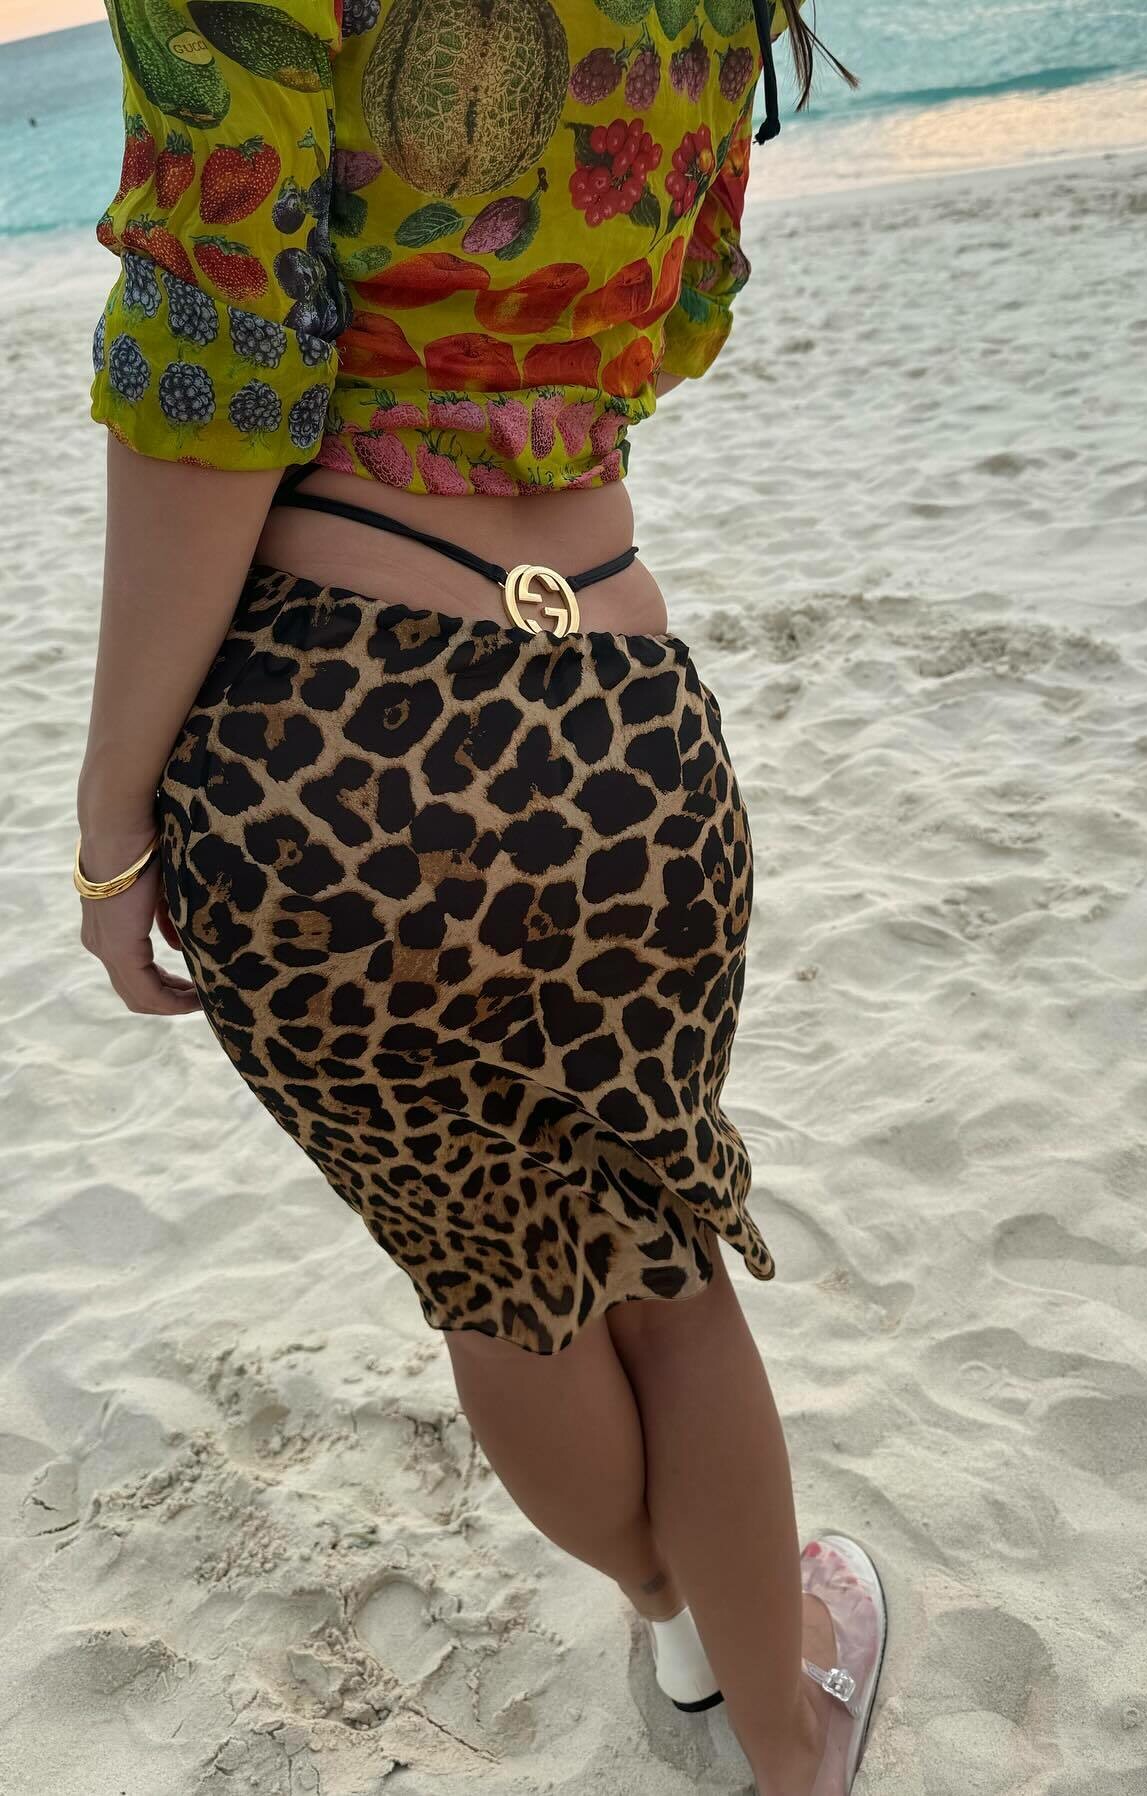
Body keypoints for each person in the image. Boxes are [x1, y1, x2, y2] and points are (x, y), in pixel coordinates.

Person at [73, 2, 884, 1790]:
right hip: (619, 722)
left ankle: (673, 1607)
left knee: (498, 1275)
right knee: (667, 1267)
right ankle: (787, 1729)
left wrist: (113, 810)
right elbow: (676, 318)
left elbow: (216, 360)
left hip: (328, 746)